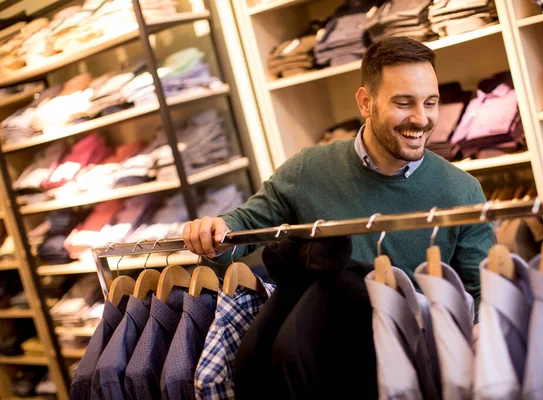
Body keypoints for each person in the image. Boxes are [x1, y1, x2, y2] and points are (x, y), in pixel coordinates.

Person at [183, 36, 495, 306]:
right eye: (403, 103)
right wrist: (215, 232)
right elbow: (243, 228)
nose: (421, 119)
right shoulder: (308, 170)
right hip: (330, 358)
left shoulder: (463, 191)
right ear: (365, 103)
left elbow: (484, 292)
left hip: (423, 358)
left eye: (430, 103)